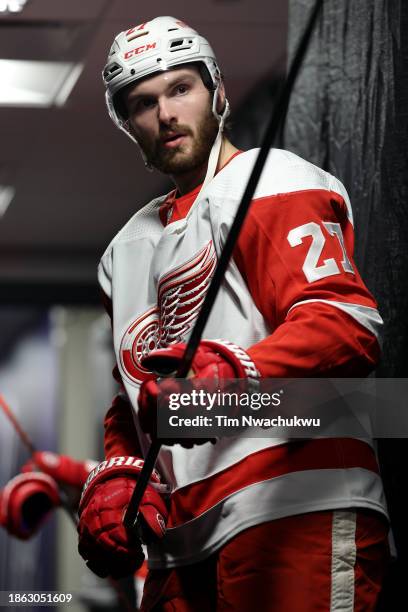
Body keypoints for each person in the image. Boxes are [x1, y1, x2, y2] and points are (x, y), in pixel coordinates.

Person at [77, 16, 390, 611]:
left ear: (218, 91)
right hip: (180, 543)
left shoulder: (271, 181)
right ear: (127, 125)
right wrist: (119, 473)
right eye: (142, 103)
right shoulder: (123, 252)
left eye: (180, 89)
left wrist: (233, 377)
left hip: (292, 507)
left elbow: (345, 325)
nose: (166, 113)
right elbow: (136, 395)